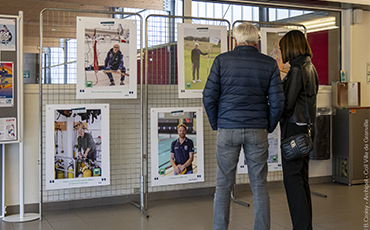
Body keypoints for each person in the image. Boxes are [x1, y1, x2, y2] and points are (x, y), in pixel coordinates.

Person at [203, 22, 284, 230]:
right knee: (259, 185)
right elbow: (277, 102)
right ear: (256, 39)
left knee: (223, 185)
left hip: (227, 128)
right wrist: (268, 125)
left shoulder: (222, 61)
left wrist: (217, 123)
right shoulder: (269, 63)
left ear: (235, 39)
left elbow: (209, 96)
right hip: (257, 129)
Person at [279, 30, 318, 230]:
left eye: (282, 48)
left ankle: (301, 227)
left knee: (293, 182)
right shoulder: (310, 66)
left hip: (293, 130)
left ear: (290, 47)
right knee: (302, 180)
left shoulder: (296, 69)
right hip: (305, 130)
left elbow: (287, 105)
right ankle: (306, 226)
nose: (281, 51)